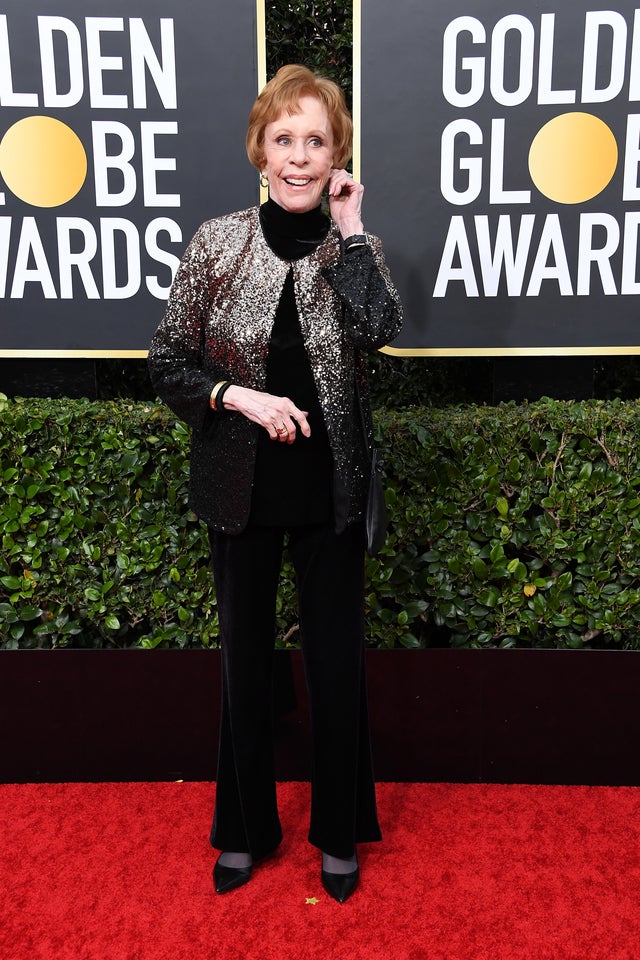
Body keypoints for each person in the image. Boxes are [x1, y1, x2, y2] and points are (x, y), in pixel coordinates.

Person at [148, 64, 402, 904]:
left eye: (316, 141)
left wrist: (354, 226)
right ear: (260, 149)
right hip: (239, 486)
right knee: (245, 667)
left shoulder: (348, 244)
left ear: (338, 156)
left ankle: (338, 833)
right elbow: (168, 360)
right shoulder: (216, 242)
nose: (299, 157)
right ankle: (244, 829)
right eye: (284, 139)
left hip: (330, 487)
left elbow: (381, 331)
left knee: (335, 667)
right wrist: (239, 395)